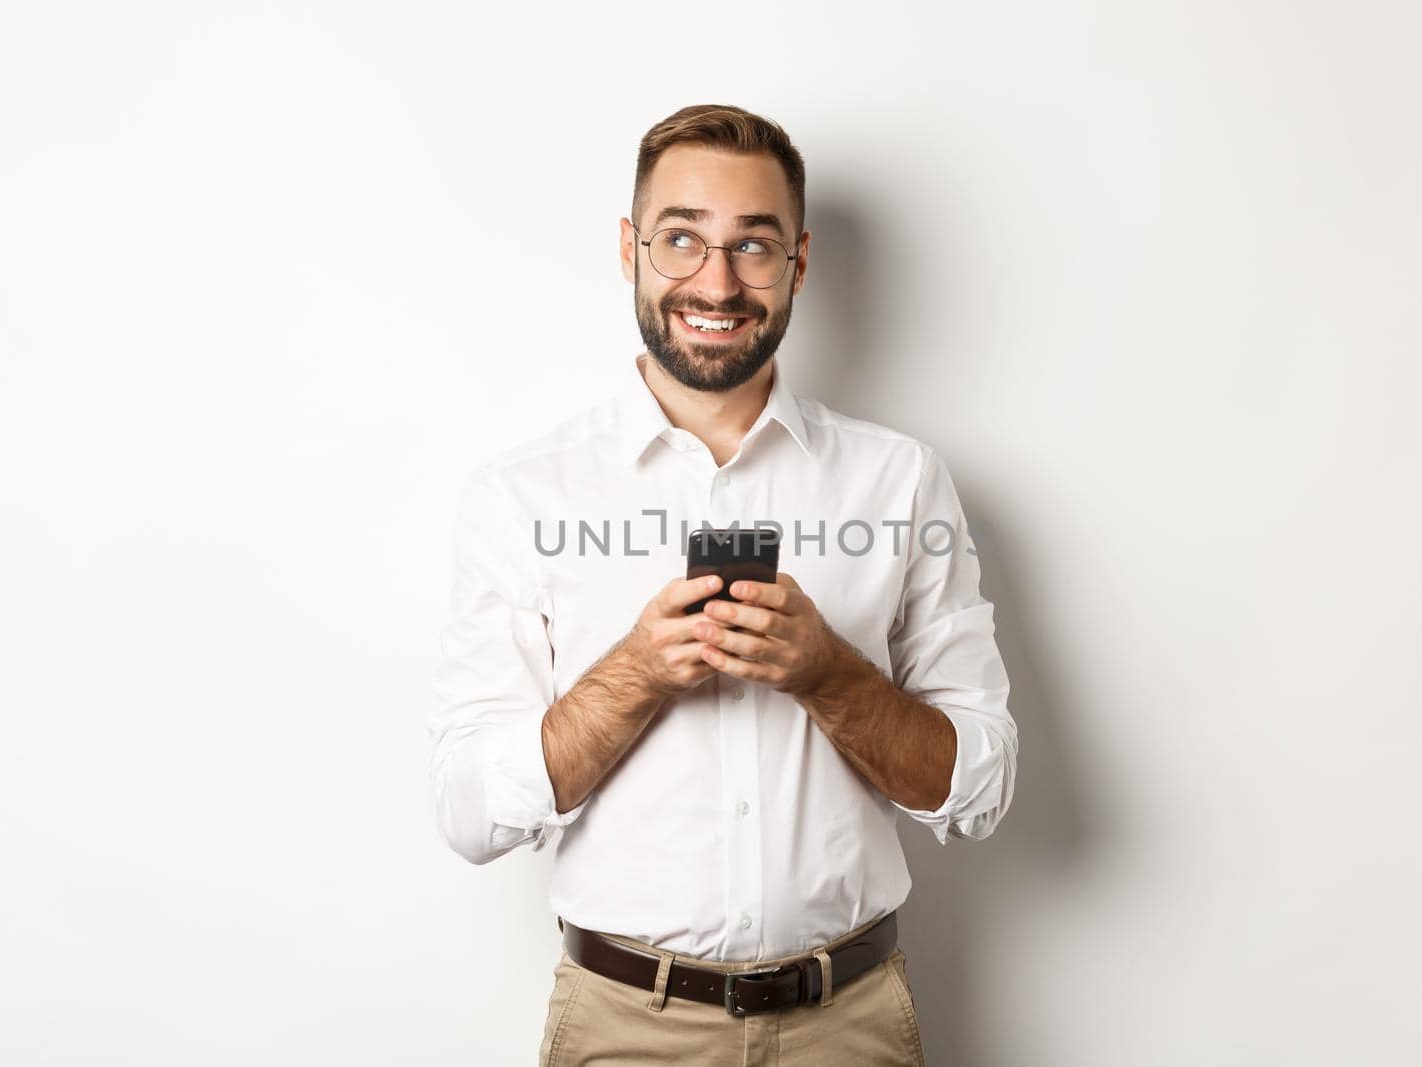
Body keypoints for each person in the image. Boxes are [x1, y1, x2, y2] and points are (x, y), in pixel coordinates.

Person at [426, 103, 1017, 1066]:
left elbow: (979, 787)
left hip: (850, 1025)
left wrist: (827, 672)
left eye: (754, 245)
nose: (716, 280)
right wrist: (638, 673)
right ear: (630, 248)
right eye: (681, 239)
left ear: (799, 261)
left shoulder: (899, 481)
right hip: (624, 1028)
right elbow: (468, 811)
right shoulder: (523, 494)